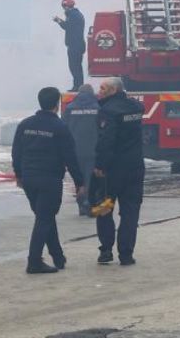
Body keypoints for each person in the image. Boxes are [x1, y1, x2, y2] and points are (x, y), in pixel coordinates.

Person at [12, 87, 87, 274]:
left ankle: (58, 256)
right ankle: (34, 261)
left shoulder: (25, 124)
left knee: (44, 217)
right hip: (50, 179)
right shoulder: (60, 127)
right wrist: (80, 182)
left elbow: (16, 152)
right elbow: (70, 157)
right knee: (44, 219)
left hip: (29, 179)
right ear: (57, 104)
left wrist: (19, 174)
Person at [93, 76, 144, 266]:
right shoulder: (136, 107)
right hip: (135, 168)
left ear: (114, 90)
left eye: (104, 89)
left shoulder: (108, 111)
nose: (100, 92)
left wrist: (100, 165)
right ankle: (126, 254)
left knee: (104, 208)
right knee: (130, 212)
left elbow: (106, 141)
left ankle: (106, 249)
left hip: (112, 171)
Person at [61, 84, 100, 216]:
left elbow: (64, 128)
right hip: (93, 150)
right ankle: (88, 203)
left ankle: (81, 204)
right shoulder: (98, 108)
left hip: (75, 150)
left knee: (79, 177)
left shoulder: (70, 108)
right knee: (90, 178)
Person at [53, 0, 86, 91]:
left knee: (74, 67)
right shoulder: (76, 14)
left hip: (75, 45)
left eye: (65, 7)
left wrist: (58, 20)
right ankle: (78, 86)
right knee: (76, 67)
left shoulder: (73, 15)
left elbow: (67, 26)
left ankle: (77, 86)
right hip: (77, 45)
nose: (64, 9)